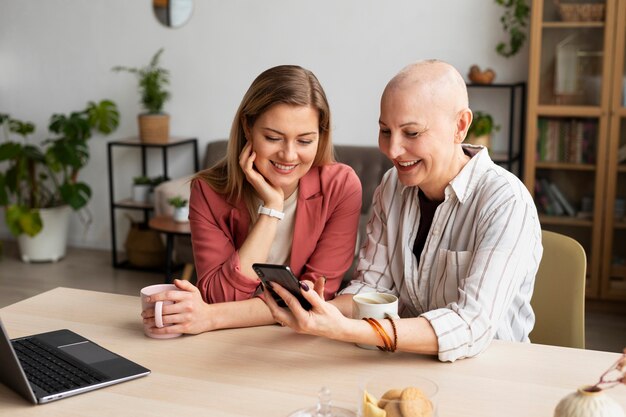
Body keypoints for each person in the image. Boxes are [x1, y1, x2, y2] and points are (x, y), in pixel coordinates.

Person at [262, 60, 543, 362]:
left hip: (491, 375)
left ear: (460, 126)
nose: (392, 150)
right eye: (385, 131)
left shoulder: (505, 202)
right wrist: (321, 308)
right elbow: (371, 286)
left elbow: (470, 325)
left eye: (411, 133)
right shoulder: (392, 185)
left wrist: (343, 329)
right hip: (406, 363)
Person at [142, 65, 362, 336]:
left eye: (305, 141)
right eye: (273, 138)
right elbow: (220, 296)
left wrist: (211, 317)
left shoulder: (340, 187)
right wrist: (271, 210)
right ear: (248, 127)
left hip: (300, 338)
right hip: (225, 340)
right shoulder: (208, 192)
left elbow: (315, 299)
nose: (289, 155)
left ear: (321, 135)